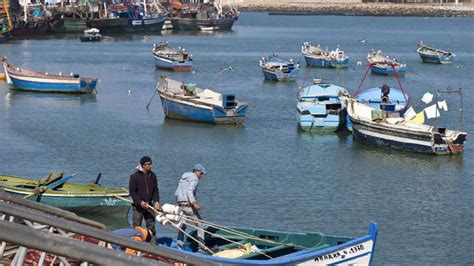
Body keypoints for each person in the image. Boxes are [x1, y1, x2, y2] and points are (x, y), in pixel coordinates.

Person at [174, 164, 207, 250]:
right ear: (197, 171)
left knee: (183, 226)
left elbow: (176, 193)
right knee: (200, 224)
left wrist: (179, 203)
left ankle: (179, 245)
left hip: (181, 205)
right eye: (201, 173)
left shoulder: (183, 178)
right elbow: (189, 191)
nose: (202, 176)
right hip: (189, 206)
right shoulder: (194, 179)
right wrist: (194, 203)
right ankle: (201, 247)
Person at [129, 156, 162, 236]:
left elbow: (155, 190)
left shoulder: (153, 176)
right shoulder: (134, 176)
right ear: (143, 165)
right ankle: (135, 245)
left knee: (151, 227)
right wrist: (140, 202)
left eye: (151, 164)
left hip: (149, 205)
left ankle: (152, 246)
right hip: (138, 207)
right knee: (136, 227)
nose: (151, 166)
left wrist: (156, 202)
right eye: (148, 164)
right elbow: (132, 192)